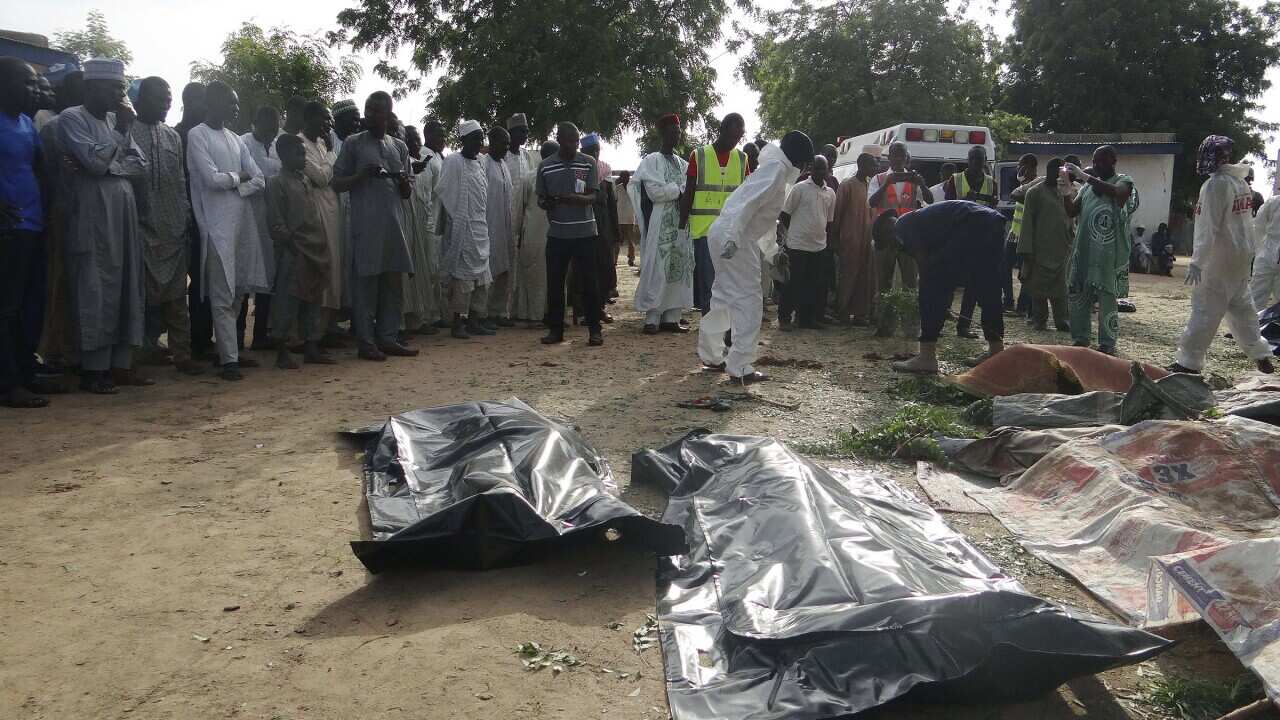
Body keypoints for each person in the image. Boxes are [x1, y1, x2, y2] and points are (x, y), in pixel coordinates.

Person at [58, 57, 150, 393]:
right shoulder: (72, 118)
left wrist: (109, 160)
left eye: (122, 88)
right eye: (113, 87)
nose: (119, 94)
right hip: (93, 211)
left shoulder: (113, 121)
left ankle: (120, 364)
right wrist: (119, 137)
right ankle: (93, 369)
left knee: (127, 283)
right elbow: (96, 163)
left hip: (122, 209)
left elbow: (140, 165)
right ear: (90, 87)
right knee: (96, 285)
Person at [697, 131, 813, 384]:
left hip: (726, 234)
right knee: (749, 299)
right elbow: (748, 204)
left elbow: (764, 221)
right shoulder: (777, 171)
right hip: (734, 238)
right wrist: (734, 237)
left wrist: (773, 253)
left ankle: (712, 355)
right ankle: (740, 367)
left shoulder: (774, 169)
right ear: (799, 161)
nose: (805, 170)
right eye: (806, 164)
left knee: (724, 296)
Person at [1169, 136, 1274, 375]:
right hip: (1239, 258)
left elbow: (1209, 227)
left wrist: (1197, 261)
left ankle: (1188, 362)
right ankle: (1260, 354)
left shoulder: (1215, 185)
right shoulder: (1241, 183)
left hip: (1218, 259)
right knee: (1242, 308)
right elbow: (1248, 225)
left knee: (1205, 310)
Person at [187, 81, 271, 380]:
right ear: (214, 102)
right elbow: (210, 180)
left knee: (238, 293)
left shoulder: (236, 139)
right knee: (222, 294)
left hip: (242, 224)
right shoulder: (197, 135)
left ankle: (230, 351)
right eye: (232, 103)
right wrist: (239, 178)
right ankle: (228, 361)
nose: (236, 108)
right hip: (216, 226)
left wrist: (233, 184)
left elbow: (260, 179)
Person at [332, 91, 416, 360]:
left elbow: (407, 191)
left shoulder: (399, 146)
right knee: (365, 287)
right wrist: (360, 175)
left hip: (394, 228)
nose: (369, 115)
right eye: (368, 110)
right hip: (365, 227)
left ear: (387, 114)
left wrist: (403, 183)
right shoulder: (353, 144)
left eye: (376, 111)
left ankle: (388, 338)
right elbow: (336, 182)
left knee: (392, 286)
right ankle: (366, 343)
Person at [129, 76, 203, 376]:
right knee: (138, 297)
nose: (165, 106)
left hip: (173, 229)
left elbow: (181, 182)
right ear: (140, 100)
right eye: (160, 100)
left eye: (168, 101)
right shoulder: (125, 132)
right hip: (140, 229)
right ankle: (134, 356)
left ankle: (182, 354)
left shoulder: (172, 137)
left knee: (175, 298)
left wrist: (185, 217)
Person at [890, 201, 1007, 374]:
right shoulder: (925, 219)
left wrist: (933, 303)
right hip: (994, 224)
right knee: (987, 286)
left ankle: (927, 357)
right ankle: (997, 352)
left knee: (930, 286)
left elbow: (925, 265)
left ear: (887, 230)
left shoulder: (902, 225)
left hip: (971, 225)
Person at [0, 57, 49, 407]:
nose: (34, 90)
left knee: (29, 304)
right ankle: (6, 383)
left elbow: (39, 165)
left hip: (32, 224)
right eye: (27, 83)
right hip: (7, 229)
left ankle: (25, 371)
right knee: (6, 307)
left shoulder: (25, 125)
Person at [266, 133, 335, 370]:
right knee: (288, 301)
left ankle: (311, 347)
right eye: (298, 153)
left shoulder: (305, 180)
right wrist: (292, 246)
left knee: (313, 299)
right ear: (283, 155)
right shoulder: (276, 183)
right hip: (294, 251)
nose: (303, 158)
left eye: (304, 153)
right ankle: (282, 350)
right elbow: (276, 222)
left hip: (315, 248)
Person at [537, 121, 603, 346]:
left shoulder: (588, 163)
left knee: (590, 284)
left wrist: (576, 200)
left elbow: (594, 196)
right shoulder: (545, 166)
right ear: (559, 140)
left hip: (585, 233)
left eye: (576, 141)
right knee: (555, 284)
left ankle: (595, 330)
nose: (574, 145)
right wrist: (546, 203)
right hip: (557, 235)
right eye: (569, 140)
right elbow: (541, 197)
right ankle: (556, 330)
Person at [1065, 146, 1137, 355]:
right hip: (1084, 250)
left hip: (1108, 252)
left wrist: (1084, 176)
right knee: (1078, 294)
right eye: (1095, 161)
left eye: (1102, 161)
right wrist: (1065, 192)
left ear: (1113, 162)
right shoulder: (1087, 189)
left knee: (1107, 298)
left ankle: (1107, 343)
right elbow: (1071, 211)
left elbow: (1118, 194)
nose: (1097, 165)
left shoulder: (1124, 180)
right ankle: (1080, 339)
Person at [680, 113, 747, 314]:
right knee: (709, 283)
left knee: (729, 283)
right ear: (722, 131)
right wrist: (681, 228)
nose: (734, 141)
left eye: (739, 137)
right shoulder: (698, 155)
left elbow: (746, 196)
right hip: (704, 233)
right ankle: (710, 324)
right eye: (732, 136)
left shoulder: (742, 159)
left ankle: (725, 326)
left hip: (731, 232)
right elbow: (688, 193)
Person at [633, 114, 692, 333]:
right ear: (663, 133)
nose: (677, 135)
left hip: (680, 222)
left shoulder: (683, 163)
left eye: (679, 131)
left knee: (677, 266)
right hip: (660, 221)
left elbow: (690, 186)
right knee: (658, 267)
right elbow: (655, 193)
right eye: (673, 131)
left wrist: (676, 190)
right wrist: (678, 190)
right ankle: (652, 318)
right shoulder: (651, 160)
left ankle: (671, 318)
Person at [438, 120, 492, 339]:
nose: (479, 142)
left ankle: (475, 320)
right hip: (462, 227)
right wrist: (460, 220)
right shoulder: (453, 161)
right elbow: (446, 192)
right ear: (463, 140)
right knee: (463, 280)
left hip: (480, 227)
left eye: (481, 138)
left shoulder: (480, 163)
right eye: (475, 138)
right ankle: (457, 323)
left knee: (481, 279)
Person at [297, 101, 344, 340]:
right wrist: (332, 158)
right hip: (314, 214)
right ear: (310, 118)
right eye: (325, 119)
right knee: (317, 271)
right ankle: (311, 334)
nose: (329, 124)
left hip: (331, 213)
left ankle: (324, 330)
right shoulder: (299, 144)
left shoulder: (323, 145)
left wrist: (329, 159)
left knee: (332, 269)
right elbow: (322, 177)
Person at [175, 82, 214, 361]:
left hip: (209, 217)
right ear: (189, 102)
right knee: (187, 282)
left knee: (206, 280)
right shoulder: (179, 135)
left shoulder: (209, 136)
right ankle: (190, 341)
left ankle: (202, 337)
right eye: (203, 102)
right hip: (182, 218)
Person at [239, 105, 282, 351]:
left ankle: (261, 335)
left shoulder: (278, 145)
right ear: (255, 121)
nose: (272, 129)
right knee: (247, 278)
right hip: (250, 218)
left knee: (269, 278)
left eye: (276, 124)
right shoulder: (243, 143)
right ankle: (238, 336)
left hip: (272, 220)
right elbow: (245, 178)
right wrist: (264, 183)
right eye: (268, 123)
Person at [944, 145, 997, 338]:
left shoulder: (991, 183)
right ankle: (938, 323)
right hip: (956, 239)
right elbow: (946, 208)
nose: (976, 163)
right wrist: (965, 201)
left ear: (985, 161)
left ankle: (963, 326)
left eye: (980, 159)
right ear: (968, 160)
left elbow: (994, 209)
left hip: (980, 241)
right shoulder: (955, 180)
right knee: (947, 283)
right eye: (973, 159)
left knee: (972, 287)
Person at [778, 155, 836, 330]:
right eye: (816, 168)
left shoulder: (830, 193)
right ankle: (785, 318)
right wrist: (794, 234)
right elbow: (785, 215)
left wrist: (828, 241)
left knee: (813, 285)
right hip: (797, 245)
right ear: (811, 169)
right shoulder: (799, 188)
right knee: (793, 284)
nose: (819, 172)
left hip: (819, 246)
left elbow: (829, 220)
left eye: (823, 169)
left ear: (827, 170)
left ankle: (805, 319)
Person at [1017, 158, 1073, 332]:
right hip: (1040, 249)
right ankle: (1039, 319)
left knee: (1061, 290)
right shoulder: (1034, 192)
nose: (1057, 174)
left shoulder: (1067, 192)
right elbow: (1026, 223)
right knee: (1038, 289)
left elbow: (1072, 219)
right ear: (1048, 171)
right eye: (1054, 171)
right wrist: (1027, 251)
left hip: (1062, 248)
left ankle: (1062, 320)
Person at [401, 121, 442, 335]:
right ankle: (407, 323)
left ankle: (423, 318)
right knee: (409, 275)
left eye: (416, 140)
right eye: (411, 140)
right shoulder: (403, 165)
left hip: (426, 224)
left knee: (428, 272)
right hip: (407, 226)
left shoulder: (424, 164)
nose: (415, 144)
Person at [513, 140, 557, 326]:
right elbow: (519, 209)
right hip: (534, 233)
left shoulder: (559, 177)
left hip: (554, 233)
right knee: (534, 275)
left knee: (554, 275)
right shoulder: (530, 178)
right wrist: (517, 234)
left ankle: (550, 314)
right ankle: (532, 315)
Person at [831, 152, 878, 326]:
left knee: (865, 277)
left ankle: (860, 314)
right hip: (849, 240)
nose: (875, 168)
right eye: (872, 165)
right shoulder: (847, 185)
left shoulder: (871, 186)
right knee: (848, 276)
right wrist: (834, 239)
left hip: (867, 240)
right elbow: (837, 214)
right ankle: (842, 312)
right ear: (862, 165)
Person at [578, 133, 619, 320]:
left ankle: (600, 308)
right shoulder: (578, 170)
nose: (594, 154)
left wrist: (615, 232)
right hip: (583, 227)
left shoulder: (605, 170)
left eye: (597, 150)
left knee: (603, 267)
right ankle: (583, 310)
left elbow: (611, 203)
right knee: (585, 270)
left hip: (603, 227)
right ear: (582, 151)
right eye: (590, 151)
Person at [483, 125, 516, 330]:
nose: (506, 147)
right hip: (489, 224)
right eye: (503, 143)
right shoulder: (483, 164)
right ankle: (484, 313)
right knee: (490, 270)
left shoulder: (504, 165)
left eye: (507, 143)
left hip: (505, 225)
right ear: (492, 142)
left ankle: (499, 312)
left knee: (504, 269)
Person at [1252, 195, 1280, 310]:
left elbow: (1258, 225)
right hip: (1268, 250)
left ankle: (1253, 325)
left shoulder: (1273, 201)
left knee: (1257, 296)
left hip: (1267, 251)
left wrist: (1259, 249)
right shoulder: (1273, 202)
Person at [616, 169, 639, 268]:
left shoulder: (632, 188)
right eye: (623, 177)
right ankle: (618, 259)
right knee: (620, 240)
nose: (625, 179)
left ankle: (630, 258)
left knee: (628, 240)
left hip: (628, 216)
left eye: (626, 177)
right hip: (621, 216)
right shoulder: (618, 188)